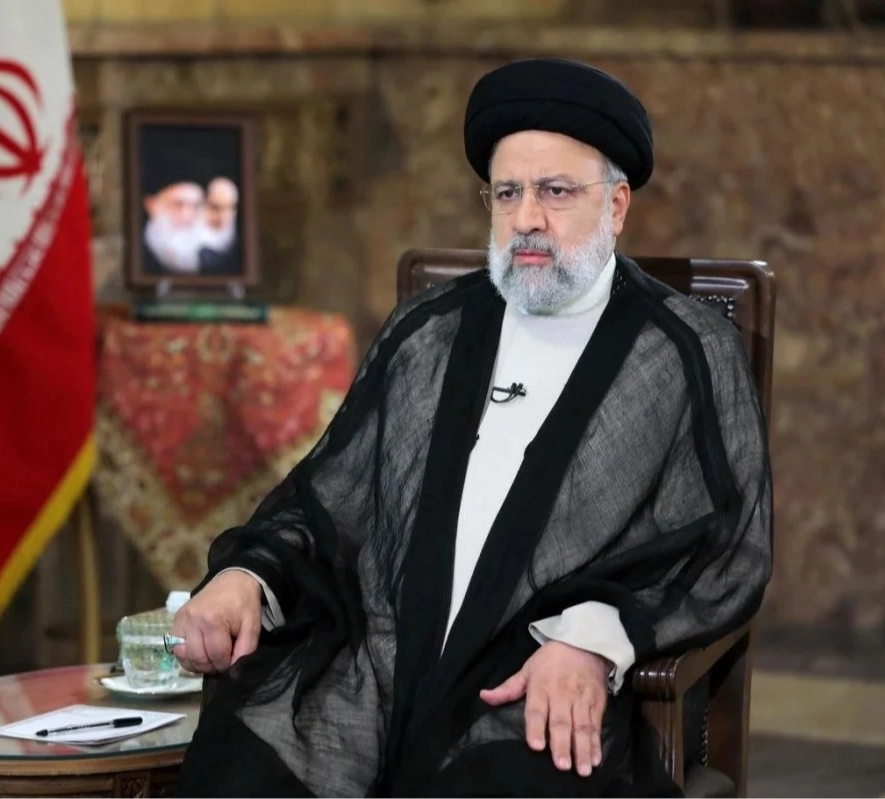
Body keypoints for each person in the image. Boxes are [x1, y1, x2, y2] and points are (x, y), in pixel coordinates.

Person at [168, 57, 773, 799]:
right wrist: (247, 576)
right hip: (375, 666)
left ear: (617, 205)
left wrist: (592, 642)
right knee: (240, 762)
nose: (527, 219)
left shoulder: (682, 350)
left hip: (525, 684)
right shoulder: (428, 328)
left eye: (555, 192)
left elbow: (728, 544)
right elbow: (328, 497)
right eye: (508, 193)